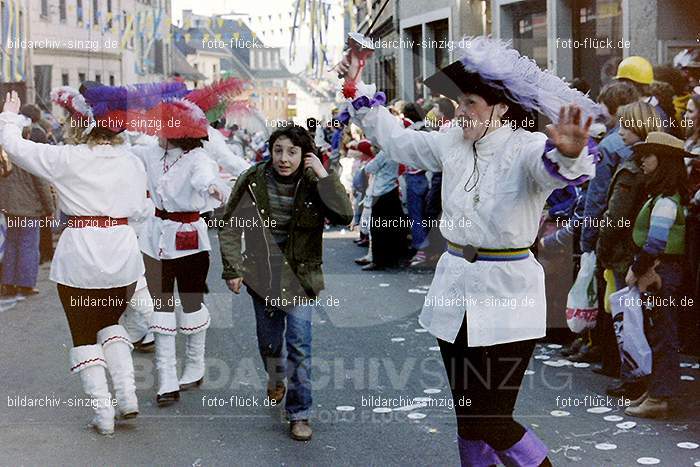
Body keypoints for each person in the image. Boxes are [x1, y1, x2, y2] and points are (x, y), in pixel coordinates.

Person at [338, 36, 599, 466]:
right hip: (455, 291)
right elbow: (398, 141)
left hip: (509, 295)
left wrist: (569, 153)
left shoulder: (526, 147)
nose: (460, 110)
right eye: (459, 102)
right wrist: (356, 89)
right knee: (467, 416)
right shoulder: (450, 142)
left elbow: (552, 170)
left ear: (500, 108)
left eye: (471, 102)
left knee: (492, 416)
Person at [0, 87, 151, 435]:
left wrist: (9, 116)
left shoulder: (71, 158)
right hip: (122, 254)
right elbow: (142, 209)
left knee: (84, 335)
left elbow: (18, 149)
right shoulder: (132, 161)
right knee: (110, 322)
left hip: (82, 254)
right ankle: (127, 397)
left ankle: (103, 414)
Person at [219, 125, 352, 441]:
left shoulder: (313, 181)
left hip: (300, 279)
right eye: (278, 150)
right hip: (261, 277)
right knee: (269, 344)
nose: (283, 158)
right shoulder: (253, 180)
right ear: (271, 150)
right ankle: (275, 377)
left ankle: (299, 413)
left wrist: (322, 173)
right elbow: (229, 225)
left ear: (304, 155)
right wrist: (233, 268)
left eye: (292, 152)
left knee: (299, 344)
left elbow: (345, 216)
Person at [129, 98, 230, 407]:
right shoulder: (149, 152)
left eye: (162, 126)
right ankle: (167, 379)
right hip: (155, 237)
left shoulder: (198, 158)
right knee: (160, 306)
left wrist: (211, 187)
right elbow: (123, 151)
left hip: (189, 238)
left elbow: (204, 177)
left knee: (190, 302)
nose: (156, 130)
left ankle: (195, 364)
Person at [596, 102, 662, 399]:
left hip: (625, 254)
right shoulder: (650, 164)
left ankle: (634, 378)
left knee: (628, 320)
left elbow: (614, 218)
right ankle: (639, 377)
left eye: (625, 126)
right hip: (640, 251)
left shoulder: (632, 169)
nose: (619, 132)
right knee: (639, 319)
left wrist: (600, 246)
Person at [624, 132, 690, 418]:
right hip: (661, 270)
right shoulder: (662, 197)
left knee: (662, 334)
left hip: (661, 272)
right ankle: (656, 391)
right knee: (659, 333)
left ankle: (660, 396)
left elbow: (655, 243)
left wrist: (636, 270)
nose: (642, 161)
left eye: (648, 156)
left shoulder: (666, 202)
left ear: (663, 162)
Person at [0, 105, 55, 305]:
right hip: (29, 208)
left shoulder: (4, 152)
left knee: (12, 243)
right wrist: (49, 208)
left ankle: (8, 282)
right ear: (27, 132)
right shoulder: (28, 154)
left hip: (9, 207)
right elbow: (41, 185)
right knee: (28, 245)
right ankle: (25, 283)